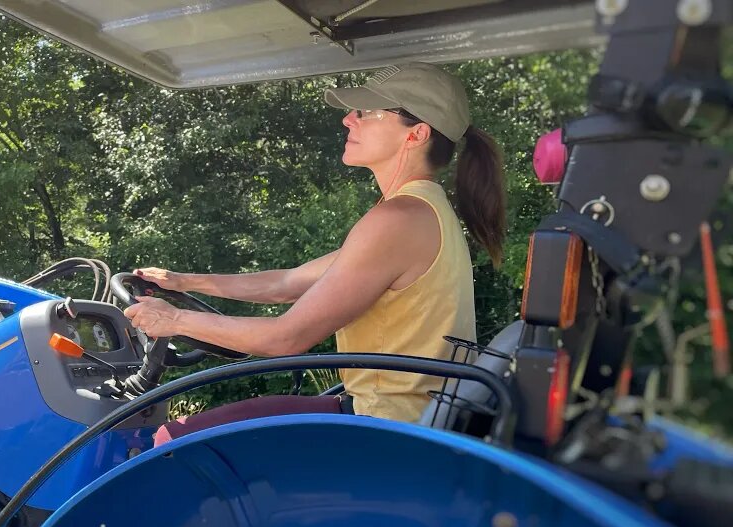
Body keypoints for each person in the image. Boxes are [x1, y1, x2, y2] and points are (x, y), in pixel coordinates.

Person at [123, 62, 506, 445]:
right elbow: (287, 283)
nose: (348, 120)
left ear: (416, 134)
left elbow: (285, 339)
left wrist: (175, 320)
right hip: (394, 416)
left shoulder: (399, 219)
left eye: (367, 112)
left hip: (384, 427)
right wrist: (184, 282)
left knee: (170, 441)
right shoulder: (421, 210)